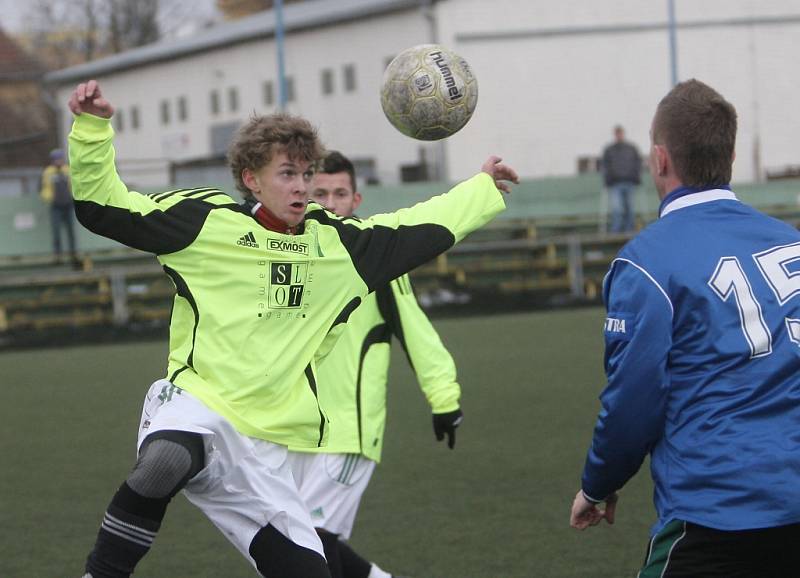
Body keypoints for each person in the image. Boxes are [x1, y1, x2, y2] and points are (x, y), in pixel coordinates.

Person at [66, 80, 518, 578]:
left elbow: (416, 228)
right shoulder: (203, 224)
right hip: (197, 406)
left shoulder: (339, 247)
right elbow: (101, 206)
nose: (302, 186)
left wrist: (480, 189)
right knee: (165, 460)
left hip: (264, 450)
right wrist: (92, 128)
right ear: (251, 179)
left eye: (307, 173)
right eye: (287, 174)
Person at [570, 79, 800, 577]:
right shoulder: (791, 242)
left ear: (659, 159)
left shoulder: (647, 263)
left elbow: (633, 400)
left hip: (716, 515)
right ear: (731, 156)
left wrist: (597, 483)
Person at [286, 151, 463, 578]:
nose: (330, 203)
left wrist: (445, 399)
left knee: (311, 543)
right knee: (292, 540)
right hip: (293, 429)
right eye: (320, 193)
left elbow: (416, 332)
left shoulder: (375, 261)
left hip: (349, 430)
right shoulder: (290, 259)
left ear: (356, 200)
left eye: (340, 193)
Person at [40, 147, 80, 266]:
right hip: (55, 206)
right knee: (56, 231)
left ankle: (73, 254)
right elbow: (43, 188)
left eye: (60, 159)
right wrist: (48, 198)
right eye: (56, 159)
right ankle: (57, 256)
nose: (58, 161)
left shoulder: (68, 170)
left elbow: (74, 185)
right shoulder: (48, 172)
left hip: (68, 205)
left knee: (71, 231)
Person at [601, 125, 641, 233]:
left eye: (620, 133)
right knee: (617, 209)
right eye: (617, 133)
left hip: (629, 182)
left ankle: (629, 231)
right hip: (615, 183)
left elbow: (637, 163)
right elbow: (605, 166)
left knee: (630, 208)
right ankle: (616, 231)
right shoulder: (609, 150)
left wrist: (637, 178)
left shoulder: (631, 148)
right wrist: (607, 180)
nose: (619, 135)